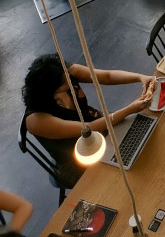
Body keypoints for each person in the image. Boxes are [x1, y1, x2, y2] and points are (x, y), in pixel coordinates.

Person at [22, 55, 154, 189]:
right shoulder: (36, 120)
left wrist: (140, 78)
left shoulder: (65, 72)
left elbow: (106, 76)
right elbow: (88, 128)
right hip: (78, 159)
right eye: (64, 79)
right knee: (124, 180)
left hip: (101, 126)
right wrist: (130, 109)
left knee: (143, 143)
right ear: (51, 88)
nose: (69, 76)